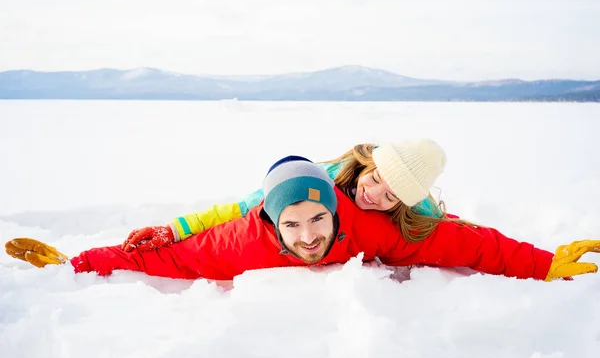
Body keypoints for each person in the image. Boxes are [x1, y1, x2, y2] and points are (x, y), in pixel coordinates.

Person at [5, 155, 600, 282]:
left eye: (318, 219)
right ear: (271, 221)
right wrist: (75, 263)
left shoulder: (366, 223)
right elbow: (167, 254)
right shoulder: (243, 241)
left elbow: (465, 244)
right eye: (292, 225)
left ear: (335, 210)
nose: (310, 237)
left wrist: (547, 263)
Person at [120, 139, 458, 252]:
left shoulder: (420, 209)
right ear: (368, 164)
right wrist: (177, 229)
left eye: (390, 196)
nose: (373, 195)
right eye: (376, 179)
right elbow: (245, 207)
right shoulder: (322, 180)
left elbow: (447, 230)